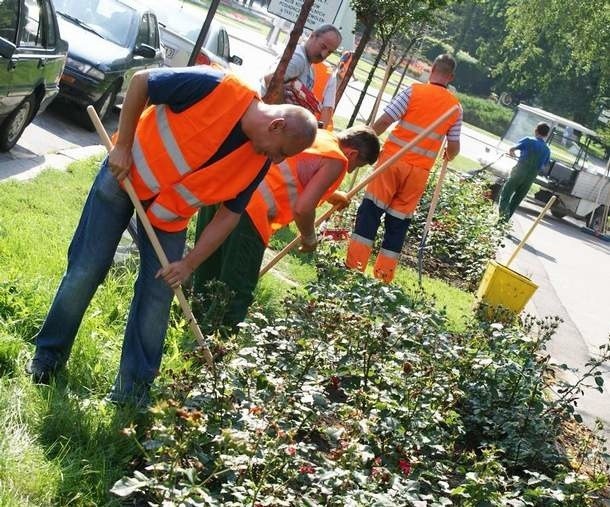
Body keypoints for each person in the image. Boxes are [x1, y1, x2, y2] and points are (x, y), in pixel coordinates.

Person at [26, 66, 318, 405]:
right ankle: (47, 359)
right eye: (282, 151)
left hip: (169, 217)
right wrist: (122, 145)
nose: (278, 160)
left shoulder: (257, 161)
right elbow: (141, 82)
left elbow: (228, 217)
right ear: (277, 125)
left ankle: (130, 395)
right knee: (87, 268)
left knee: (158, 295)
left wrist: (189, 263)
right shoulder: (219, 86)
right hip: (124, 177)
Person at [192, 126, 380, 333]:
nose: (350, 170)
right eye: (356, 165)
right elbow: (303, 208)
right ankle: (211, 350)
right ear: (352, 153)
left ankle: (193, 329)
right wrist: (309, 238)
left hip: (226, 191)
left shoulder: (317, 134)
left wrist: (331, 194)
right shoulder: (338, 160)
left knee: (208, 269)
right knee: (235, 290)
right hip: (250, 214)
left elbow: (296, 171)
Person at [345, 54, 462, 283]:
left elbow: (384, 121)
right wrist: (448, 154)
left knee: (371, 211)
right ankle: (383, 275)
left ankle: (354, 265)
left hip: (392, 162)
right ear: (451, 77)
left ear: (432, 70)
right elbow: (454, 147)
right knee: (398, 222)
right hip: (418, 173)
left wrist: (364, 142)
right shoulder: (455, 108)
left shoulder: (413, 91)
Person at [261, 24, 342, 129]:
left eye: (330, 52)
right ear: (312, 36)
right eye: (323, 47)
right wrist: (287, 115)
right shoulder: (299, 58)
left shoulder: (308, 65)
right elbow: (271, 79)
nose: (324, 54)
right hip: (267, 124)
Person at [498, 122, 551, 221]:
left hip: (519, 171)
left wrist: (512, 153)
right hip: (530, 177)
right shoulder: (547, 149)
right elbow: (544, 166)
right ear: (547, 135)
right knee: (516, 200)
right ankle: (504, 222)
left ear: (536, 130)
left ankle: (503, 218)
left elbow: (512, 149)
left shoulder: (528, 140)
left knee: (506, 195)